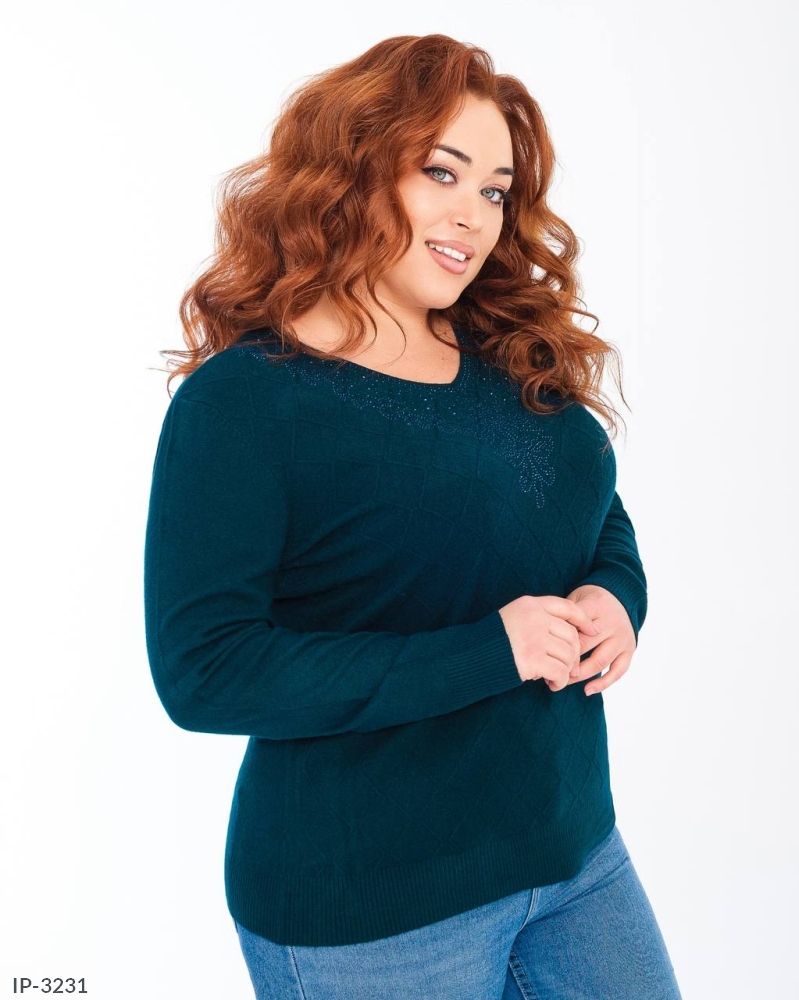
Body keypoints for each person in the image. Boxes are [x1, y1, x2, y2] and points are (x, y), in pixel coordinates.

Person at [143, 33, 683, 1000]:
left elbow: (588, 509)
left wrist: (614, 593)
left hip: (572, 856)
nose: (473, 214)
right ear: (351, 169)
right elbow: (207, 673)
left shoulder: (504, 356)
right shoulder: (246, 403)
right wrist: (490, 650)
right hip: (372, 909)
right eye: (441, 172)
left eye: (495, 190)